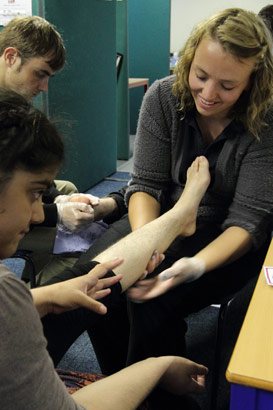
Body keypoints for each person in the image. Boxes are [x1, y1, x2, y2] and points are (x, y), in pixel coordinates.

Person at [74, 7, 273, 378]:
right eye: (200, 76)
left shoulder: (266, 119)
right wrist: (150, 242)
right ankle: (122, 388)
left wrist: (194, 266)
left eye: (228, 86)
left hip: (227, 235)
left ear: (253, 83)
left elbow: (247, 221)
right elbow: (146, 185)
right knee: (94, 284)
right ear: (188, 60)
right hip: (161, 213)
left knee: (155, 299)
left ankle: (165, 397)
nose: (209, 94)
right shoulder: (165, 97)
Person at [0, 88, 211, 409]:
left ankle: (180, 216)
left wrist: (40, 298)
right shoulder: (6, 297)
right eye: (33, 194)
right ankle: (181, 214)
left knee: (88, 284)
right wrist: (156, 367)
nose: (39, 213)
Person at [0, 15, 124, 283]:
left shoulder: (12, 99)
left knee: (65, 189)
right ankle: (38, 305)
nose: (44, 88)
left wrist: (58, 201)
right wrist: (57, 215)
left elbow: (26, 165)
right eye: (40, 74)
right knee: (78, 239)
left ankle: (30, 286)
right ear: (11, 57)